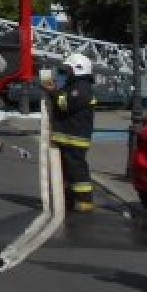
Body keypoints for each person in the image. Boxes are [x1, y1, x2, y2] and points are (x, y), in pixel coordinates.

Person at [46, 52, 97, 213]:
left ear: (78, 69)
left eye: (69, 69)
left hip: (75, 138)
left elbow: (65, 104)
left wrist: (53, 92)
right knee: (67, 171)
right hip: (69, 137)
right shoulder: (74, 85)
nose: (66, 72)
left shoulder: (81, 89)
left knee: (77, 170)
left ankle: (85, 201)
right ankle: (68, 200)